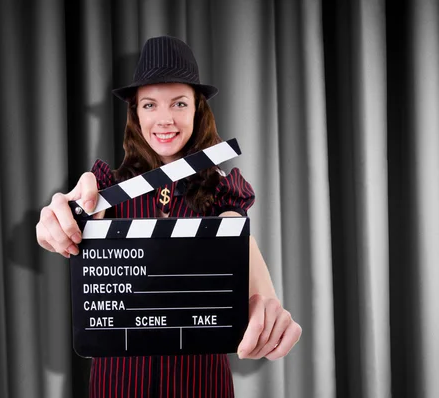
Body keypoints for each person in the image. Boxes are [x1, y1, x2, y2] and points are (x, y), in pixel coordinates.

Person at [36, 35, 302, 397]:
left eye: (178, 103)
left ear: (197, 109)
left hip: (199, 382)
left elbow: (238, 237)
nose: (164, 119)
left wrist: (268, 303)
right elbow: (69, 212)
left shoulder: (221, 190)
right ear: (136, 113)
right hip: (120, 383)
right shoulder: (104, 188)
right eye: (149, 105)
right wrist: (56, 219)